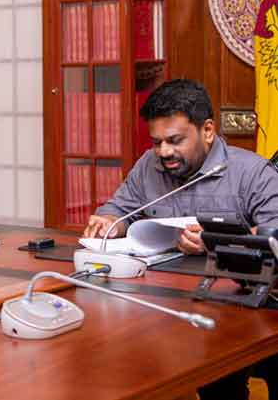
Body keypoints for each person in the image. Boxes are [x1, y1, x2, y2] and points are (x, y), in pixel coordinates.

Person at [83, 79, 278, 400]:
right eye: (156, 142)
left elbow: (275, 232)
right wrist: (108, 221)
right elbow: (119, 208)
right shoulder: (149, 166)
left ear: (208, 130)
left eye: (175, 140)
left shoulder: (252, 173)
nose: (164, 152)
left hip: (242, 304)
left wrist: (218, 240)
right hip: (168, 304)